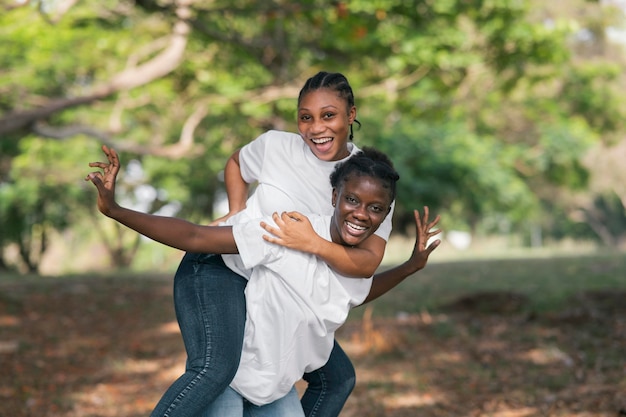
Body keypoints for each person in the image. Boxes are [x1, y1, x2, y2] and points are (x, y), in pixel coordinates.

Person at [89, 71, 441, 417]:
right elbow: (222, 188)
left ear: (351, 115)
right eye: (306, 118)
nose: (316, 128)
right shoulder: (278, 160)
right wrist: (236, 211)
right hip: (227, 262)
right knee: (215, 370)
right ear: (336, 196)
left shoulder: (371, 181)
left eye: (329, 115)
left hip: (280, 279)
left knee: (337, 377)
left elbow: (362, 272)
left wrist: (320, 245)